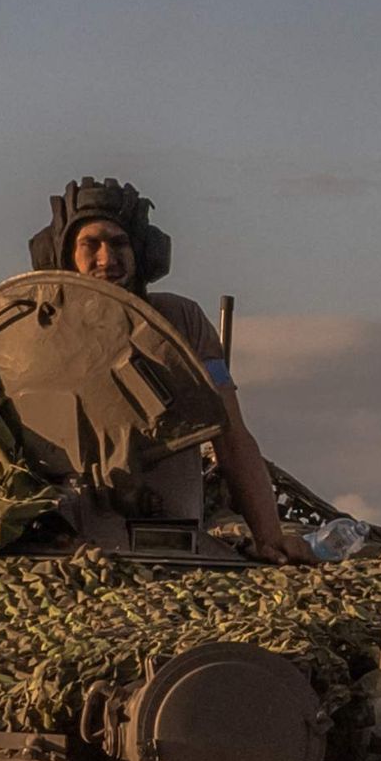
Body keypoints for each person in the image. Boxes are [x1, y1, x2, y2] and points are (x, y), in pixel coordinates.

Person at [30, 178, 308, 565]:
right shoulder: (32, 334)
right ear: (64, 255)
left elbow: (231, 437)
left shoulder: (181, 323)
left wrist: (270, 537)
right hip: (72, 547)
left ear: (143, 252)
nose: (107, 259)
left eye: (120, 243)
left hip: (177, 544)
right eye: (90, 245)